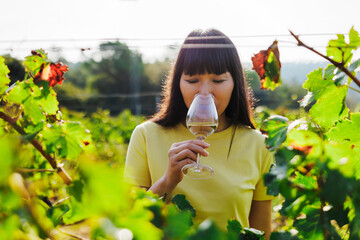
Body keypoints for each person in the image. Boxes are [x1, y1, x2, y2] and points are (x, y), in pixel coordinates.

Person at [124, 28, 275, 239]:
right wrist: (167, 181)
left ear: (235, 83)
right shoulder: (146, 136)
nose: (204, 93)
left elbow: (261, 234)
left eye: (218, 81)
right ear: (178, 83)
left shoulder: (259, 145)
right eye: (192, 81)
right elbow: (130, 226)